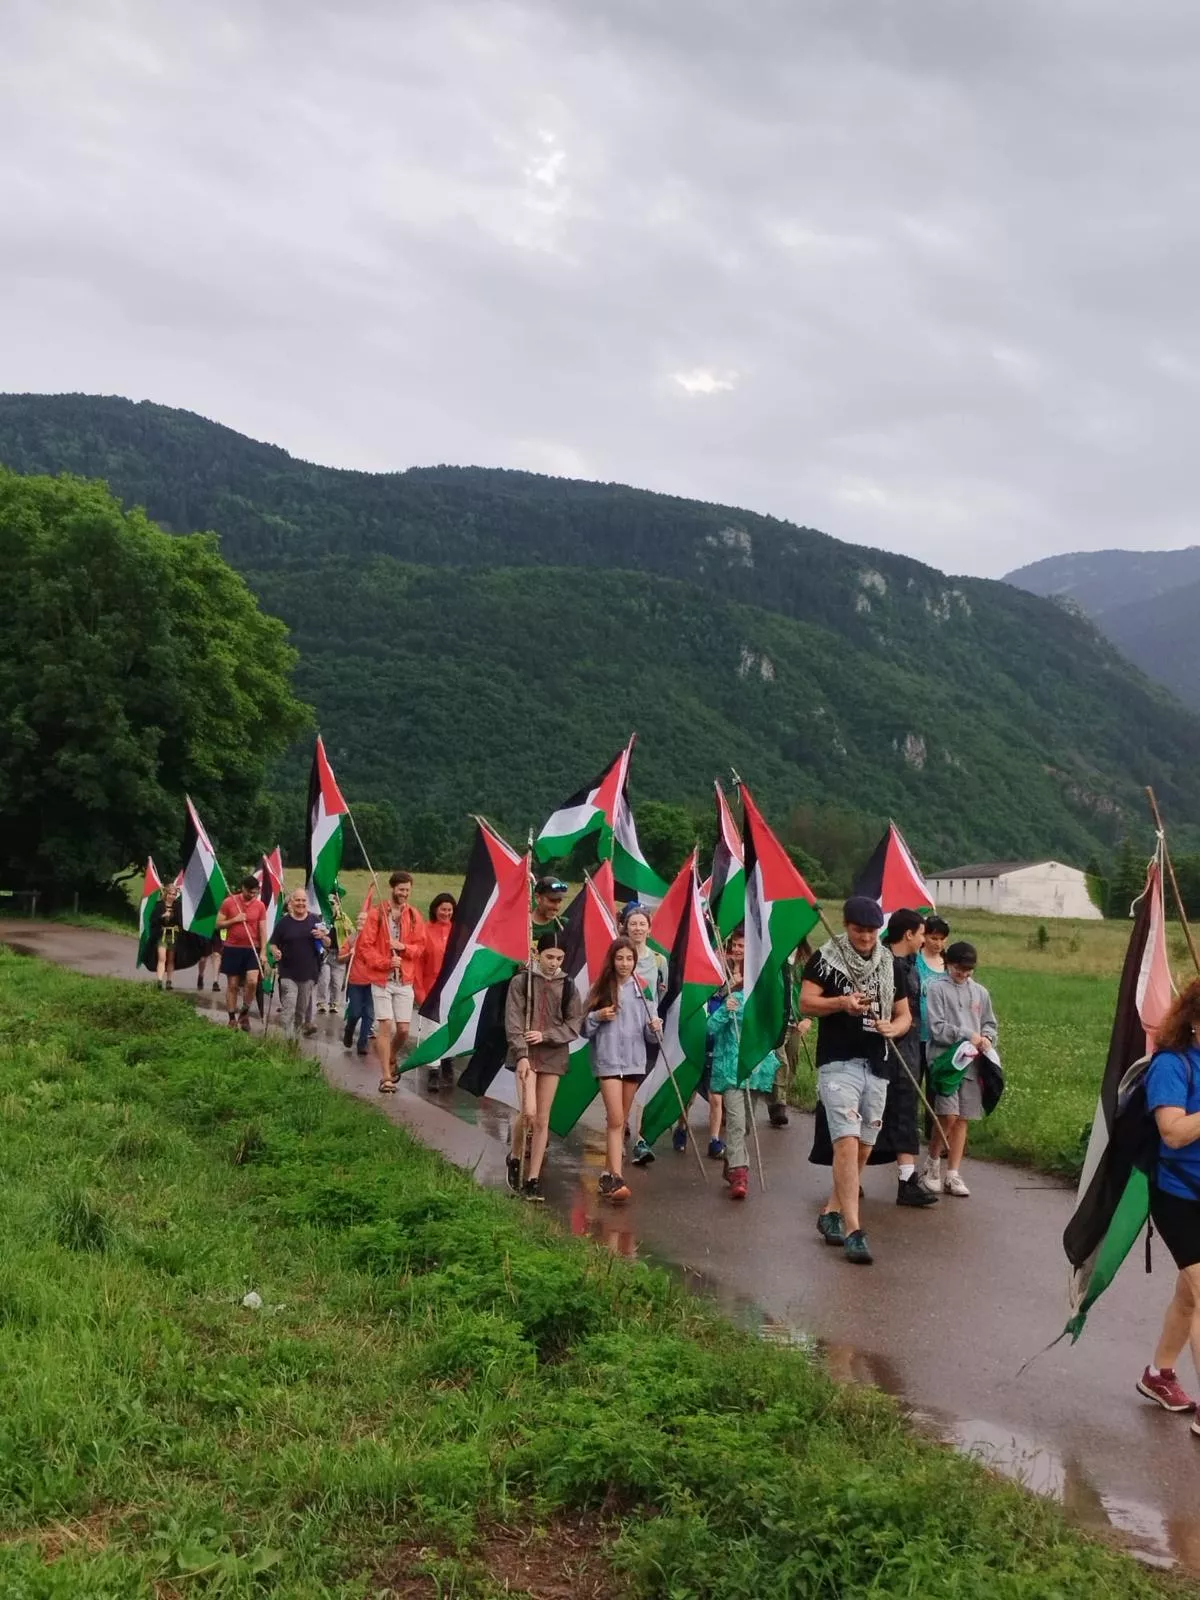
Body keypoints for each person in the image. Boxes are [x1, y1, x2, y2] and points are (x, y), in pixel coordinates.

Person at [801, 895, 912, 1265]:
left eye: (871, 931)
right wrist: (841, 1003)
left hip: (876, 1064)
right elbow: (805, 1003)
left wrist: (892, 1029)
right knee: (846, 1142)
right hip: (838, 1062)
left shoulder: (889, 965)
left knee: (864, 1146)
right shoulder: (826, 960)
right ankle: (853, 1229)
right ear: (846, 926)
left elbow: (903, 1015)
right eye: (859, 930)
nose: (866, 938)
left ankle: (830, 1211)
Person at [1138, 978, 1200, 1421]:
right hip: (1180, 1195)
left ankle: (1159, 1374)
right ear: (1195, 1022)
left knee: (1190, 1294)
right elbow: (1173, 1133)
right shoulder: (1173, 1065)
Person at [504, 930, 583, 1203]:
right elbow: (513, 1021)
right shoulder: (521, 981)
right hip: (525, 1054)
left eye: (559, 958)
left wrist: (547, 1035)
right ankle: (515, 1157)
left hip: (553, 1055)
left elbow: (574, 1024)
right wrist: (522, 1054)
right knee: (527, 1112)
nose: (554, 963)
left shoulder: (569, 986)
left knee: (542, 1119)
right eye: (550, 956)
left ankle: (534, 1178)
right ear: (538, 953)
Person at [582, 936, 662, 1203]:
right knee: (615, 1118)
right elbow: (583, 1029)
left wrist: (655, 1028)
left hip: (634, 1061)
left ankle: (607, 1175)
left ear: (635, 961)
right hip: (607, 1060)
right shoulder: (600, 988)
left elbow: (652, 1036)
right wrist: (597, 1016)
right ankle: (617, 1177)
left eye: (629, 958)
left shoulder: (644, 989)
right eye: (620, 958)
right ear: (612, 960)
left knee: (620, 1120)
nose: (625, 963)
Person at [923, 941, 999, 1197]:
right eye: (958, 968)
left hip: (972, 1064)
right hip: (946, 1061)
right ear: (948, 964)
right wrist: (967, 1035)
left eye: (968, 969)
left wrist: (987, 1037)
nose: (963, 974)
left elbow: (989, 1023)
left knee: (963, 1118)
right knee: (948, 1115)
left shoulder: (980, 993)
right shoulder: (937, 989)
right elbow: (937, 1028)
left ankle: (953, 1173)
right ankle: (933, 1161)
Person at [706, 943, 780, 1201]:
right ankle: (740, 1172)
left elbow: (775, 1035)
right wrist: (726, 1010)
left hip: (758, 1073)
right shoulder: (734, 999)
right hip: (732, 1072)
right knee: (736, 1124)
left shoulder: (768, 1004)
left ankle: (731, 1160)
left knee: (746, 1125)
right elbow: (710, 1028)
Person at [880, 909, 939, 1208]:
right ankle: (849, 1176)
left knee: (904, 1112)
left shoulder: (912, 964)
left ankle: (907, 1179)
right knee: (878, 1113)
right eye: (920, 934)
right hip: (891, 1049)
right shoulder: (885, 965)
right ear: (908, 934)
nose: (923, 939)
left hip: (911, 1048)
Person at [357, 870, 427, 1092]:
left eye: (407, 890)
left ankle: (391, 1056)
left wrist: (403, 948)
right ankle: (386, 1077)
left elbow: (420, 947)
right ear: (393, 889)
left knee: (404, 1030)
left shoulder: (414, 915)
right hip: (382, 980)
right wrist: (385, 962)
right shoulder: (377, 915)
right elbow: (365, 948)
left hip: (404, 979)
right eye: (401, 889)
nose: (404, 893)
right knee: (385, 1025)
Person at [623, 905, 668, 1167]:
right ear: (626, 928)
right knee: (624, 1082)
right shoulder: (620, 957)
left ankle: (640, 1140)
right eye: (633, 924)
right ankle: (618, 1129)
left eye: (642, 924)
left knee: (645, 1084)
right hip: (622, 1031)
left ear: (649, 929)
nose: (638, 928)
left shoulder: (660, 960)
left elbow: (665, 994)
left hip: (649, 1030)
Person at [269, 887, 330, 1037]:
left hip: (309, 973)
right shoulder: (284, 923)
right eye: (297, 900)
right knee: (289, 1005)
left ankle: (294, 1040)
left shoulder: (315, 920)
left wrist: (322, 936)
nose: (301, 903)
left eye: (303, 900)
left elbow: (328, 943)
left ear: (307, 902)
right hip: (287, 971)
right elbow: (273, 943)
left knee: (300, 1011)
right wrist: (275, 952)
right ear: (291, 902)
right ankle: (287, 1037)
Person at [771, 938, 815, 1127]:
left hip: (796, 1021)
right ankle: (779, 1104)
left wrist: (809, 1018)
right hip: (777, 1021)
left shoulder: (806, 961)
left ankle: (777, 1099)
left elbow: (813, 993)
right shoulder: (776, 957)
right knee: (782, 1062)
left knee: (792, 1061)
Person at [215, 876, 268, 1031]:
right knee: (233, 985)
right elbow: (218, 924)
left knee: (252, 981)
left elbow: (263, 930)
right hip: (233, 948)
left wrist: (263, 952)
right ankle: (232, 1018)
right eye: (250, 892)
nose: (253, 895)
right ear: (243, 888)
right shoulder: (229, 902)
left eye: (255, 892)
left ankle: (244, 1012)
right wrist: (235, 920)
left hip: (252, 948)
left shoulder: (260, 906)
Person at [418, 891, 458, 1091]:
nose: (446, 913)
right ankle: (433, 1072)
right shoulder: (425, 930)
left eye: (450, 910)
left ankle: (448, 1061)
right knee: (432, 1030)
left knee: (450, 1028)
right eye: (443, 909)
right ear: (435, 909)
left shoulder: (458, 932)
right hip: (430, 987)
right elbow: (418, 962)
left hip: (452, 988)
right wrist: (419, 991)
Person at [340, 909, 374, 1058]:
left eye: (363, 919)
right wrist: (349, 954)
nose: (360, 922)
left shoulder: (376, 939)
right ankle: (349, 1029)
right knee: (354, 1012)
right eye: (358, 919)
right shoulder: (352, 938)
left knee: (369, 1014)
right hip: (355, 982)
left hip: (373, 983)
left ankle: (363, 1043)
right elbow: (340, 958)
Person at [916, 915, 950, 1063]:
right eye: (934, 938)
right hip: (917, 1032)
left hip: (941, 1034)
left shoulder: (949, 964)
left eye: (942, 939)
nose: (938, 943)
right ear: (924, 936)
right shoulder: (914, 961)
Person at [314, 887, 352, 1014]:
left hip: (339, 954)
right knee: (324, 979)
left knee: (336, 982)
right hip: (326, 954)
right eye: (328, 904)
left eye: (333, 904)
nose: (331, 906)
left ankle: (334, 1004)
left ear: (338, 905)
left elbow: (352, 934)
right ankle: (321, 1002)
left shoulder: (344, 919)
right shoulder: (322, 918)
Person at [151, 883, 184, 989]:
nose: (172, 896)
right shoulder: (159, 905)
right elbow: (153, 921)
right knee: (162, 957)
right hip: (162, 934)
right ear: (166, 894)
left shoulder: (178, 905)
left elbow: (181, 921)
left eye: (174, 894)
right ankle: (159, 981)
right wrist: (162, 916)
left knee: (171, 959)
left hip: (173, 935)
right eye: (170, 894)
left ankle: (169, 981)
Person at [531, 876, 569, 942]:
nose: (556, 907)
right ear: (538, 898)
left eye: (559, 901)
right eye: (552, 901)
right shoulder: (522, 926)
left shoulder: (564, 926)